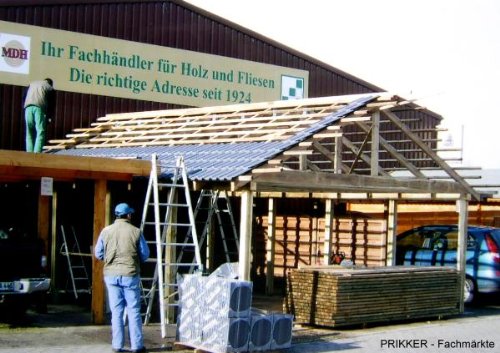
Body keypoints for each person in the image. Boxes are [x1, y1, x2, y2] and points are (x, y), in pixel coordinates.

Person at [94, 203, 150, 353]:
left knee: (116, 311)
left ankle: (117, 345)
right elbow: (145, 255)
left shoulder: (106, 231)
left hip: (111, 275)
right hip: (130, 274)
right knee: (133, 311)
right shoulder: (136, 231)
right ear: (128, 215)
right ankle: (136, 346)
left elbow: (98, 253)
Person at [23, 78, 55, 153]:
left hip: (28, 108)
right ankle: (37, 153)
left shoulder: (32, 84)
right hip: (39, 108)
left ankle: (29, 152)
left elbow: (24, 96)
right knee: (40, 131)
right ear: (50, 83)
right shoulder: (50, 88)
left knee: (29, 132)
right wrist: (49, 117)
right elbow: (51, 104)